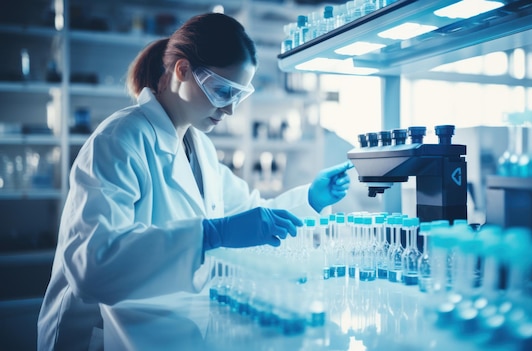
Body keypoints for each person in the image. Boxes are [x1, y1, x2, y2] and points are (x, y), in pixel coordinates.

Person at [37, 12, 352, 351]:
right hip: (103, 336)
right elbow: (92, 267)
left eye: (238, 95)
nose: (229, 109)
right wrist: (210, 235)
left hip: (173, 328)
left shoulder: (198, 145)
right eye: (222, 91)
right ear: (182, 70)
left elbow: (252, 215)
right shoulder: (120, 139)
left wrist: (311, 198)